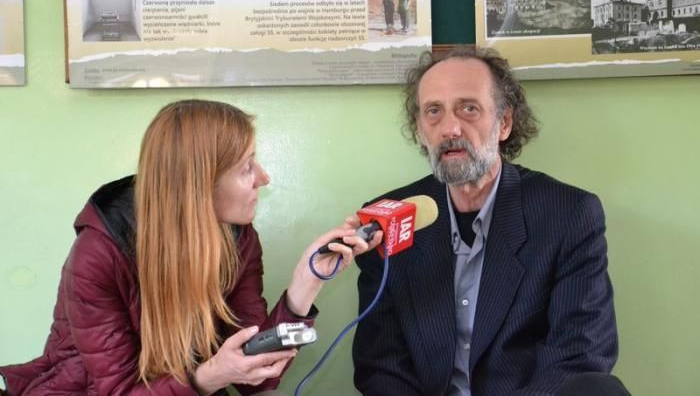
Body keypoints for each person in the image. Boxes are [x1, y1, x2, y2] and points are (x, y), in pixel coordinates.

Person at [0, 99, 380, 396]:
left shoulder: (237, 239)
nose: (264, 178)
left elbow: (256, 380)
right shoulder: (98, 255)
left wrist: (307, 281)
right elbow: (118, 391)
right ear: (199, 184)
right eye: (247, 167)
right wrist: (209, 376)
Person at [352, 46, 618, 395]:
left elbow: (578, 356)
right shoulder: (389, 220)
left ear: (504, 123)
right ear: (419, 129)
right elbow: (381, 365)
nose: (450, 128)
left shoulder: (569, 214)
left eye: (469, 108)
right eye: (433, 111)